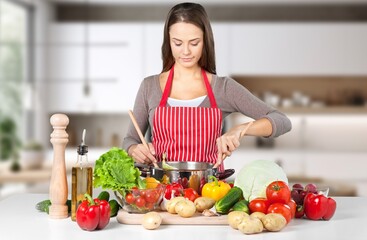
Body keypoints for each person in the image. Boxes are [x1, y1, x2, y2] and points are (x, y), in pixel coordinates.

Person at [122, 2, 291, 170]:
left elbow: (282, 121)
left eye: (194, 43)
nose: (186, 51)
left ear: (205, 41)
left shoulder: (223, 88)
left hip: (209, 192)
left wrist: (240, 129)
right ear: (168, 42)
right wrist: (134, 149)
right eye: (178, 43)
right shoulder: (149, 87)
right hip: (162, 191)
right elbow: (129, 140)